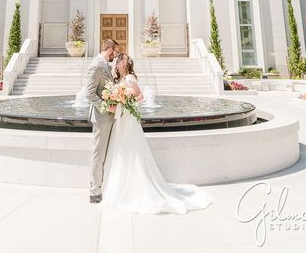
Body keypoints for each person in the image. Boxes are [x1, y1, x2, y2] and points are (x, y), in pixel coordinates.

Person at [100, 52, 215, 214]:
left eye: (121, 58)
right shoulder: (118, 80)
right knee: (121, 151)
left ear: (126, 63)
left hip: (129, 121)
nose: (118, 60)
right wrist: (115, 100)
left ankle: (137, 189)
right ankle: (119, 187)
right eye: (117, 59)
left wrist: (124, 100)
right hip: (121, 121)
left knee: (132, 152)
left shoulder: (131, 79)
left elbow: (140, 97)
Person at [85, 38, 119, 203]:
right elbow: (89, 93)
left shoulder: (105, 65)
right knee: (98, 153)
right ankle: (94, 192)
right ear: (110, 49)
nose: (115, 55)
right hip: (101, 117)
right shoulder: (96, 65)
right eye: (115, 52)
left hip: (109, 117)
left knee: (105, 153)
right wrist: (106, 107)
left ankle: (104, 186)